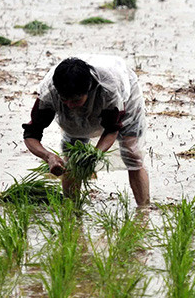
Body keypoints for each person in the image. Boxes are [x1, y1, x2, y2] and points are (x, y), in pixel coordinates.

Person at [22, 54, 150, 207]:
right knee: (72, 157)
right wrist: (48, 157)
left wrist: (95, 155)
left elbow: (112, 129)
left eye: (75, 100)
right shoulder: (50, 93)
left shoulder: (109, 90)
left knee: (131, 152)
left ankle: (144, 210)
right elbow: (31, 134)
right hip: (81, 97)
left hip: (125, 98)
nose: (69, 105)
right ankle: (72, 210)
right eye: (64, 100)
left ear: (89, 90)